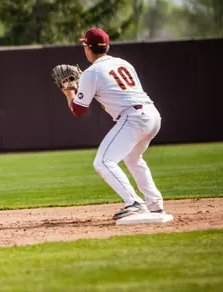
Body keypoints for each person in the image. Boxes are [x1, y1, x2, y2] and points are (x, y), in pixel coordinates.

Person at [60, 28, 165, 220]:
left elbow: (78, 110)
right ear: (107, 47)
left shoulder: (91, 73)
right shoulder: (124, 63)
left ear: (88, 48)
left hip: (134, 118)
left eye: (85, 45)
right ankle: (155, 204)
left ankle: (134, 202)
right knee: (133, 159)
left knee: (103, 161)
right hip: (152, 114)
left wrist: (68, 91)